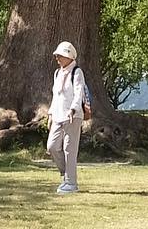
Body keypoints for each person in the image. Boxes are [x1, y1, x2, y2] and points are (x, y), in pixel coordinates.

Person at [47, 40, 86, 195]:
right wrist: (50, 113)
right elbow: (55, 96)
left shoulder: (77, 72)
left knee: (69, 148)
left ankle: (71, 183)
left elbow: (79, 93)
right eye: (57, 55)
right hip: (58, 115)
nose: (58, 58)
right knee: (52, 146)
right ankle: (66, 174)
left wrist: (73, 109)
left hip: (72, 116)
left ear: (69, 56)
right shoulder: (57, 73)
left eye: (61, 55)